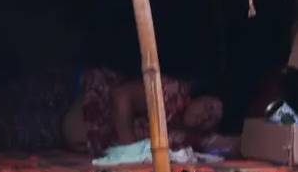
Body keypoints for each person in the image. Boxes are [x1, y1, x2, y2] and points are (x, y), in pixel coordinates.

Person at [62, 67, 223, 155]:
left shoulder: (187, 135)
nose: (205, 117)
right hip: (88, 95)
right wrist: (130, 151)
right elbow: (121, 96)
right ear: (198, 96)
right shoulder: (172, 93)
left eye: (212, 119)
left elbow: (228, 144)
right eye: (209, 107)